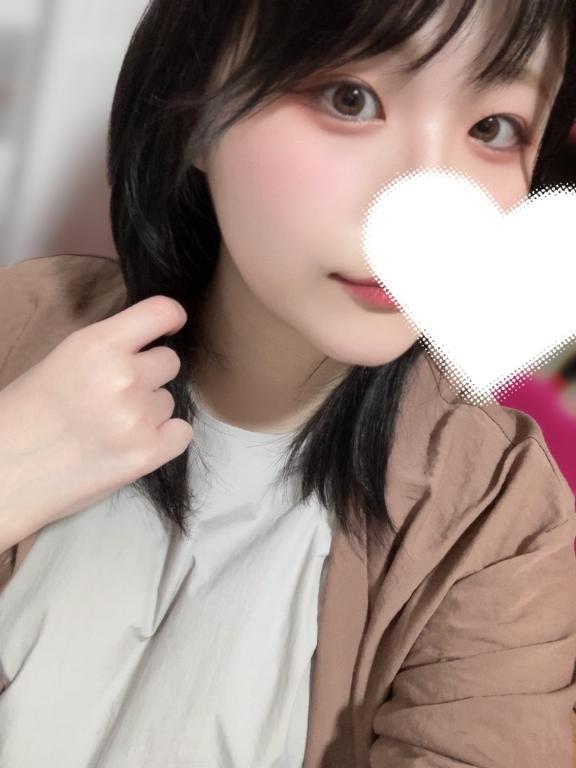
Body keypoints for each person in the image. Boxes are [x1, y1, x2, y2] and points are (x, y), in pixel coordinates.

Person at [1, 0, 576, 766]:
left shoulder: (500, 518)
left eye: (494, 129)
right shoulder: (22, 327)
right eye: (350, 99)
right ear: (195, 113)